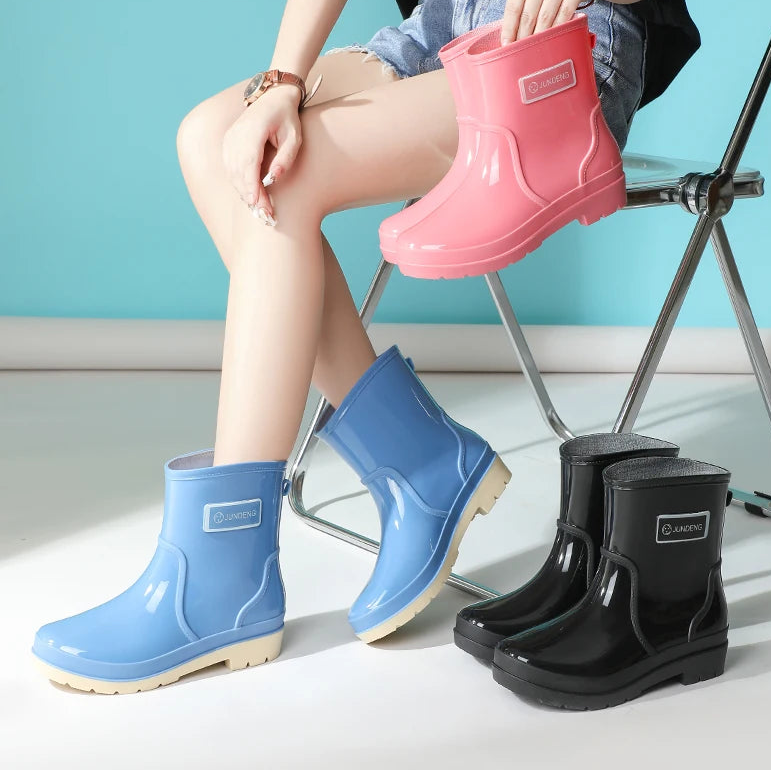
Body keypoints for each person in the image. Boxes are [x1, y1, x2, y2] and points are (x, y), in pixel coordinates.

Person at [32, 0, 700, 694]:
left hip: (560, 43)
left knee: (282, 172)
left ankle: (220, 575)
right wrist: (283, 81)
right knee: (211, 137)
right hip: (442, 27)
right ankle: (417, 458)